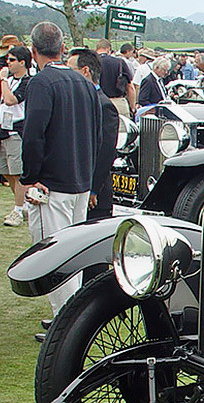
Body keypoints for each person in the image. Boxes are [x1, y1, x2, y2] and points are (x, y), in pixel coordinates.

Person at [20, 21, 102, 315]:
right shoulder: (84, 83)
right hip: (79, 179)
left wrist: (31, 177)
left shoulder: (41, 83)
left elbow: (34, 134)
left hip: (53, 183)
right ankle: (69, 318)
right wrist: (90, 178)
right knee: (74, 254)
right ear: (62, 47)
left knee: (52, 255)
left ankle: (64, 323)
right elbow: (97, 135)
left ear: (33, 51)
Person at [68, 48, 118, 220]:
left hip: (95, 195)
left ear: (85, 71)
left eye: (71, 70)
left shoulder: (103, 105)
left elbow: (106, 151)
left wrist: (93, 188)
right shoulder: (80, 100)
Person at [1, 44, 32, 227]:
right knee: (7, 172)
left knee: (18, 173)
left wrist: (3, 81)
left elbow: (11, 100)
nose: (8, 63)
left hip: (16, 131)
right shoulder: (10, 80)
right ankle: (21, 204)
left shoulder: (27, 82)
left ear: (23, 62)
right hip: (3, 130)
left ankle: (18, 209)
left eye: (12, 60)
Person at [95, 38, 136, 118]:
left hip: (97, 103)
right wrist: (132, 107)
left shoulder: (91, 62)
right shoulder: (120, 62)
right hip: (118, 103)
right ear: (108, 49)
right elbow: (130, 87)